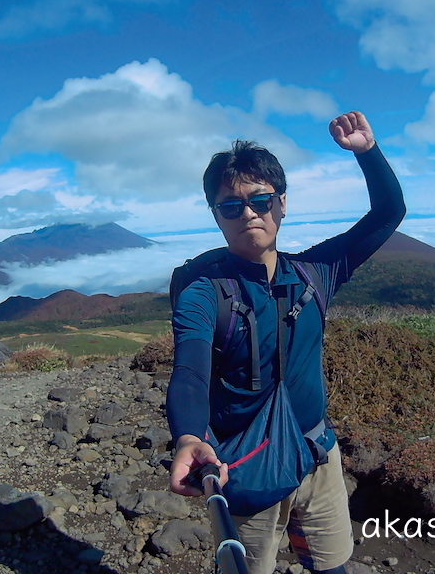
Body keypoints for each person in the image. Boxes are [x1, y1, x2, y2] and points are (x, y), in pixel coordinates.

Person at [166, 111, 406, 574]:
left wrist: (367, 153)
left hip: (318, 456)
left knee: (331, 567)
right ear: (216, 216)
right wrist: (190, 436)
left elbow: (388, 214)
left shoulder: (315, 274)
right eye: (231, 207)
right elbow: (189, 369)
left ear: (281, 204)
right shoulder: (204, 294)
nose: (249, 214)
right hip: (245, 465)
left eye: (260, 200)